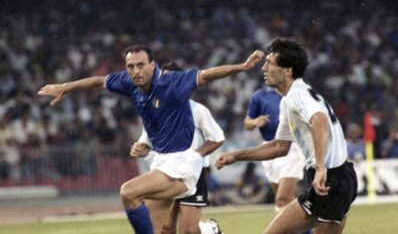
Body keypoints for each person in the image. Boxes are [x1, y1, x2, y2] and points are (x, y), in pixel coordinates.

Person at [38, 44, 264, 234]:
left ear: (152, 64)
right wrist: (65, 88)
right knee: (162, 230)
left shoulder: (173, 83)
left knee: (129, 192)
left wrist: (242, 67)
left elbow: (206, 74)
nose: (135, 71)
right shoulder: (130, 83)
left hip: (183, 164)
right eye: (130, 66)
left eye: (140, 65)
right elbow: (98, 82)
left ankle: (209, 230)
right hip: (162, 163)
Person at [215, 39, 357, 234]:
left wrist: (320, 167)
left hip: (330, 179)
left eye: (270, 63)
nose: (263, 68)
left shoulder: (296, 95)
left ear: (288, 70)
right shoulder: (291, 99)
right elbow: (279, 147)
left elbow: (320, 120)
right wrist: (236, 156)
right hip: (339, 177)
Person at [132, 98, 225, 234]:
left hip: (193, 173)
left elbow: (217, 138)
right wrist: (141, 149)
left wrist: (196, 155)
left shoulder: (197, 109)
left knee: (188, 231)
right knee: (166, 228)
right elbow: (146, 143)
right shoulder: (153, 111)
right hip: (164, 172)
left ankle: (209, 230)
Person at [244, 87, 305, 213]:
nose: (265, 69)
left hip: (291, 147)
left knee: (282, 200)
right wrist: (255, 121)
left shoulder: (295, 92)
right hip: (269, 149)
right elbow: (247, 123)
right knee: (287, 200)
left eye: (269, 66)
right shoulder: (259, 96)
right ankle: (307, 231)